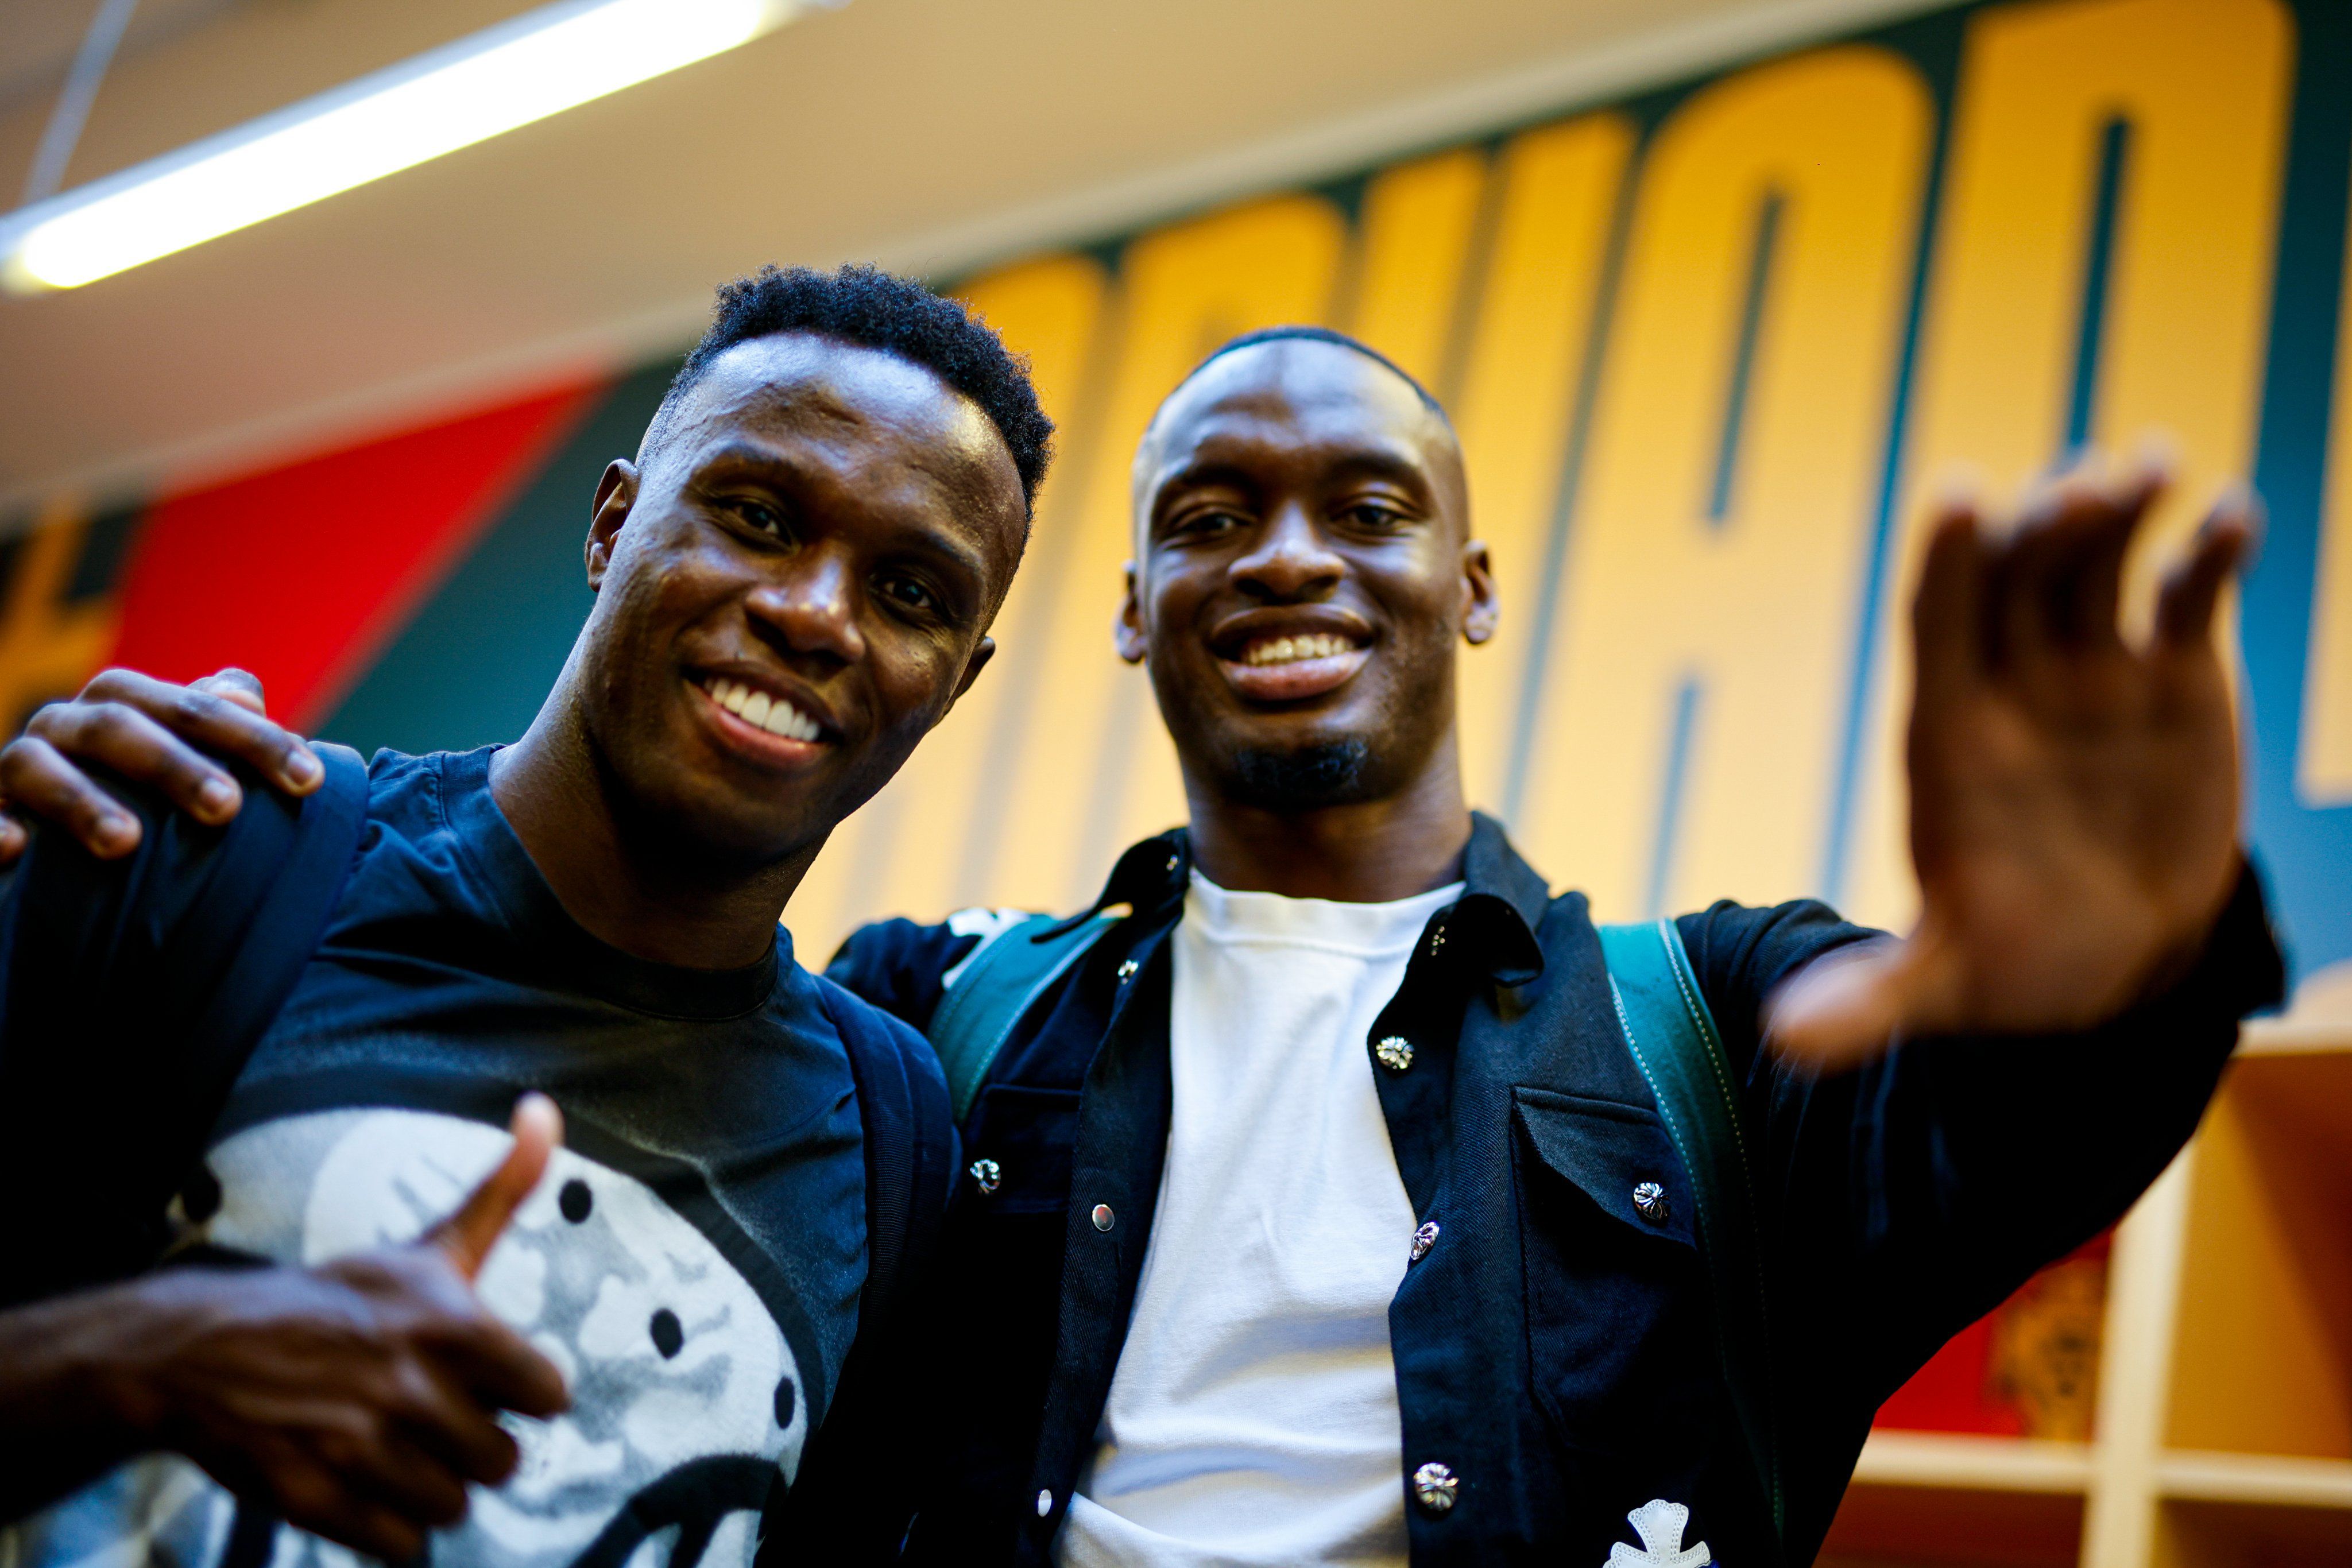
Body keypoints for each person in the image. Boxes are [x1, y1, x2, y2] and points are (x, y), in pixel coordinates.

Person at [8, 327, 2285, 1568]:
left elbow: (2010, 1110)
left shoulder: (1706, 1028)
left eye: (1367, 507)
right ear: (1118, 616)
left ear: (1472, 584)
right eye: (1211, 515)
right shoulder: (930, 1029)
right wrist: (162, 800)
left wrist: (2124, 964)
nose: (1287, 556)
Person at [0, 263, 1050, 1568]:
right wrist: (142, 1360)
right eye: (758, 517)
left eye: (910, 595)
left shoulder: (895, 1146)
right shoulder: (195, 845)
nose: (813, 616)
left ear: (955, 683)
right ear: (613, 524)